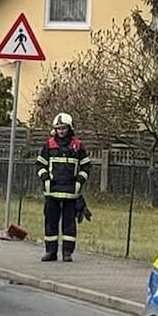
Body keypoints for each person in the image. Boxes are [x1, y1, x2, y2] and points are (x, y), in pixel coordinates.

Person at [36, 112, 91, 262]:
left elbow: (86, 167)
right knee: (50, 223)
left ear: (70, 128)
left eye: (64, 128)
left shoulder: (77, 146)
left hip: (70, 193)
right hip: (52, 192)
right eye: (58, 128)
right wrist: (46, 179)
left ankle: (67, 252)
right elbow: (40, 164)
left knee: (69, 225)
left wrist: (79, 182)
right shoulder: (49, 145)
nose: (61, 131)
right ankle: (50, 252)